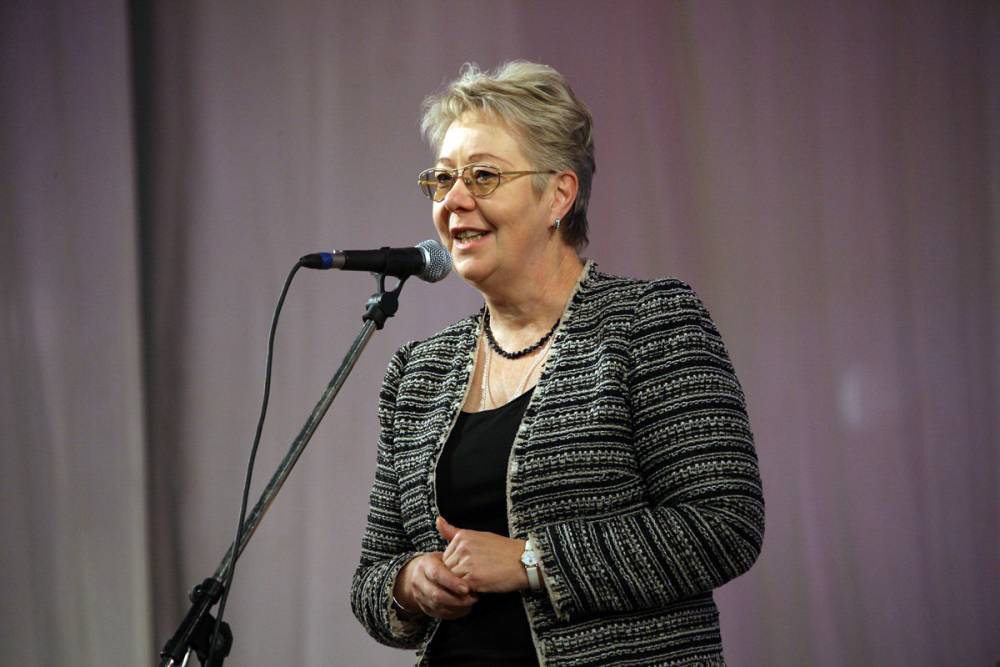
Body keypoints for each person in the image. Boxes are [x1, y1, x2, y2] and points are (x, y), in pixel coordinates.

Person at [351, 61, 764, 666]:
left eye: (483, 176)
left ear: (558, 195)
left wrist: (530, 561)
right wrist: (409, 583)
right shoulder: (419, 371)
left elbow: (724, 521)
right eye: (442, 179)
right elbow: (372, 578)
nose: (454, 200)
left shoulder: (647, 322)